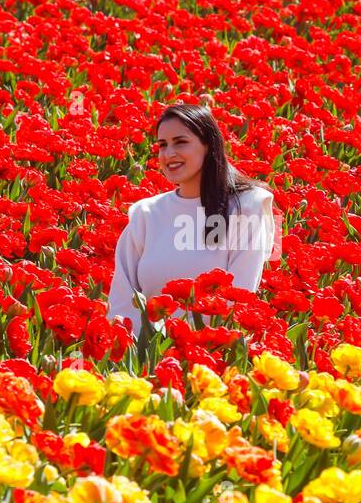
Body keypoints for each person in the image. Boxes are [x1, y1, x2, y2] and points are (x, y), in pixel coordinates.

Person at [107, 103, 275, 335]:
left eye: (181, 142)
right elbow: (123, 300)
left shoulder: (246, 206)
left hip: (212, 354)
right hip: (148, 358)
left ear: (209, 146)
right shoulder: (145, 213)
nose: (169, 154)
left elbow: (239, 296)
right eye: (162, 145)